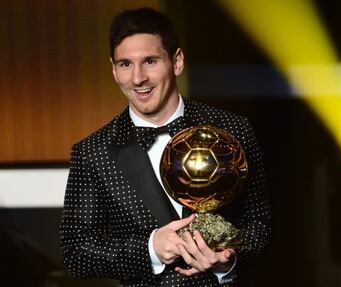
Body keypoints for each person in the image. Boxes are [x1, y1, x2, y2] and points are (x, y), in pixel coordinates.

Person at [60, 7, 271, 287]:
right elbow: (75, 254)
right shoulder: (93, 152)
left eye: (150, 61)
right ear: (113, 69)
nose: (137, 78)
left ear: (177, 61)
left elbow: (260, 228)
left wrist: (228, 262)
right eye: (125, 64)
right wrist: (150, 249)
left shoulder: (232, 130)